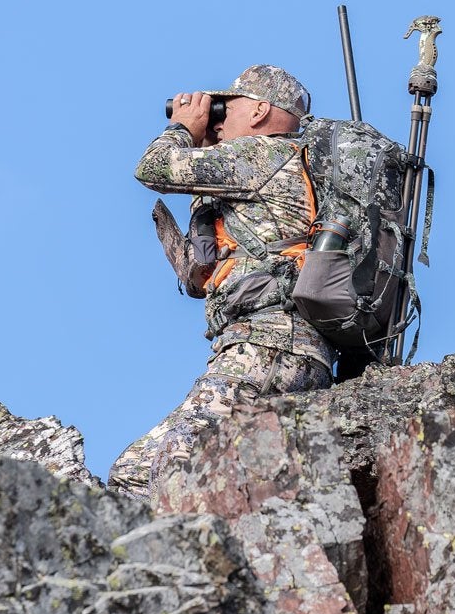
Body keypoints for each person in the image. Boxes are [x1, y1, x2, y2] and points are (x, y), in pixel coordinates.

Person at [108, 64, 333, 495]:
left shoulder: (263, 154)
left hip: (268, 348)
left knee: (144, 472)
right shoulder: (286, 164)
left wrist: (183, 129)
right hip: (281, 350)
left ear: (260, 112)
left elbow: (154, 167)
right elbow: (202, 273)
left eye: (226, 108)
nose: (216, 118)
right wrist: (211, 149)